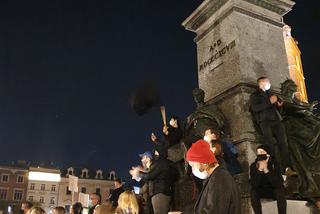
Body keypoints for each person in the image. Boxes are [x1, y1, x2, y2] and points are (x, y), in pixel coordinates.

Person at [250, 76, 295, 176]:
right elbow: (255, 108)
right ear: (261, 84)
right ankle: (275, 169)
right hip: (265, 122)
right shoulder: (255, 95)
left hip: (277, 121)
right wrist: (269, 102)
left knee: (283, 144)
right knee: (270, 145)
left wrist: (279, 104)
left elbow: (278, 107)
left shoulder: (271, 94)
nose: (268, 84)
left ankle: (287, 168)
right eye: (266, 83)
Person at [186, 139, 241, 214]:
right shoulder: (216, 176)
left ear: (205, 163)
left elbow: (214, 211)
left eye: (193, 165)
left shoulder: (220, 178)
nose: (193, 169)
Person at [130, 149, 176, 214]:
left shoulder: (158, 164)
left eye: (143, 157)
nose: (141, 160)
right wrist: (137, 177)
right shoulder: (153, 167)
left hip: (160, 193)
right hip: (156, 193)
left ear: (148, 158)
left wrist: (138, 173)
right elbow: (148, 180)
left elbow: (149, 176)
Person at [250, 145, 286, 214]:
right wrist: (260, 170)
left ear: (268, 154)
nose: (259, 154)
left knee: (280, 191)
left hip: (273, 190)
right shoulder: (253, 166)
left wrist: (266, 170)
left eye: (262, 152)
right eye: (258, 152)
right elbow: (254, 184)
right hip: (262, 190)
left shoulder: (274, 164)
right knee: (253, 192)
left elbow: (278, 183)